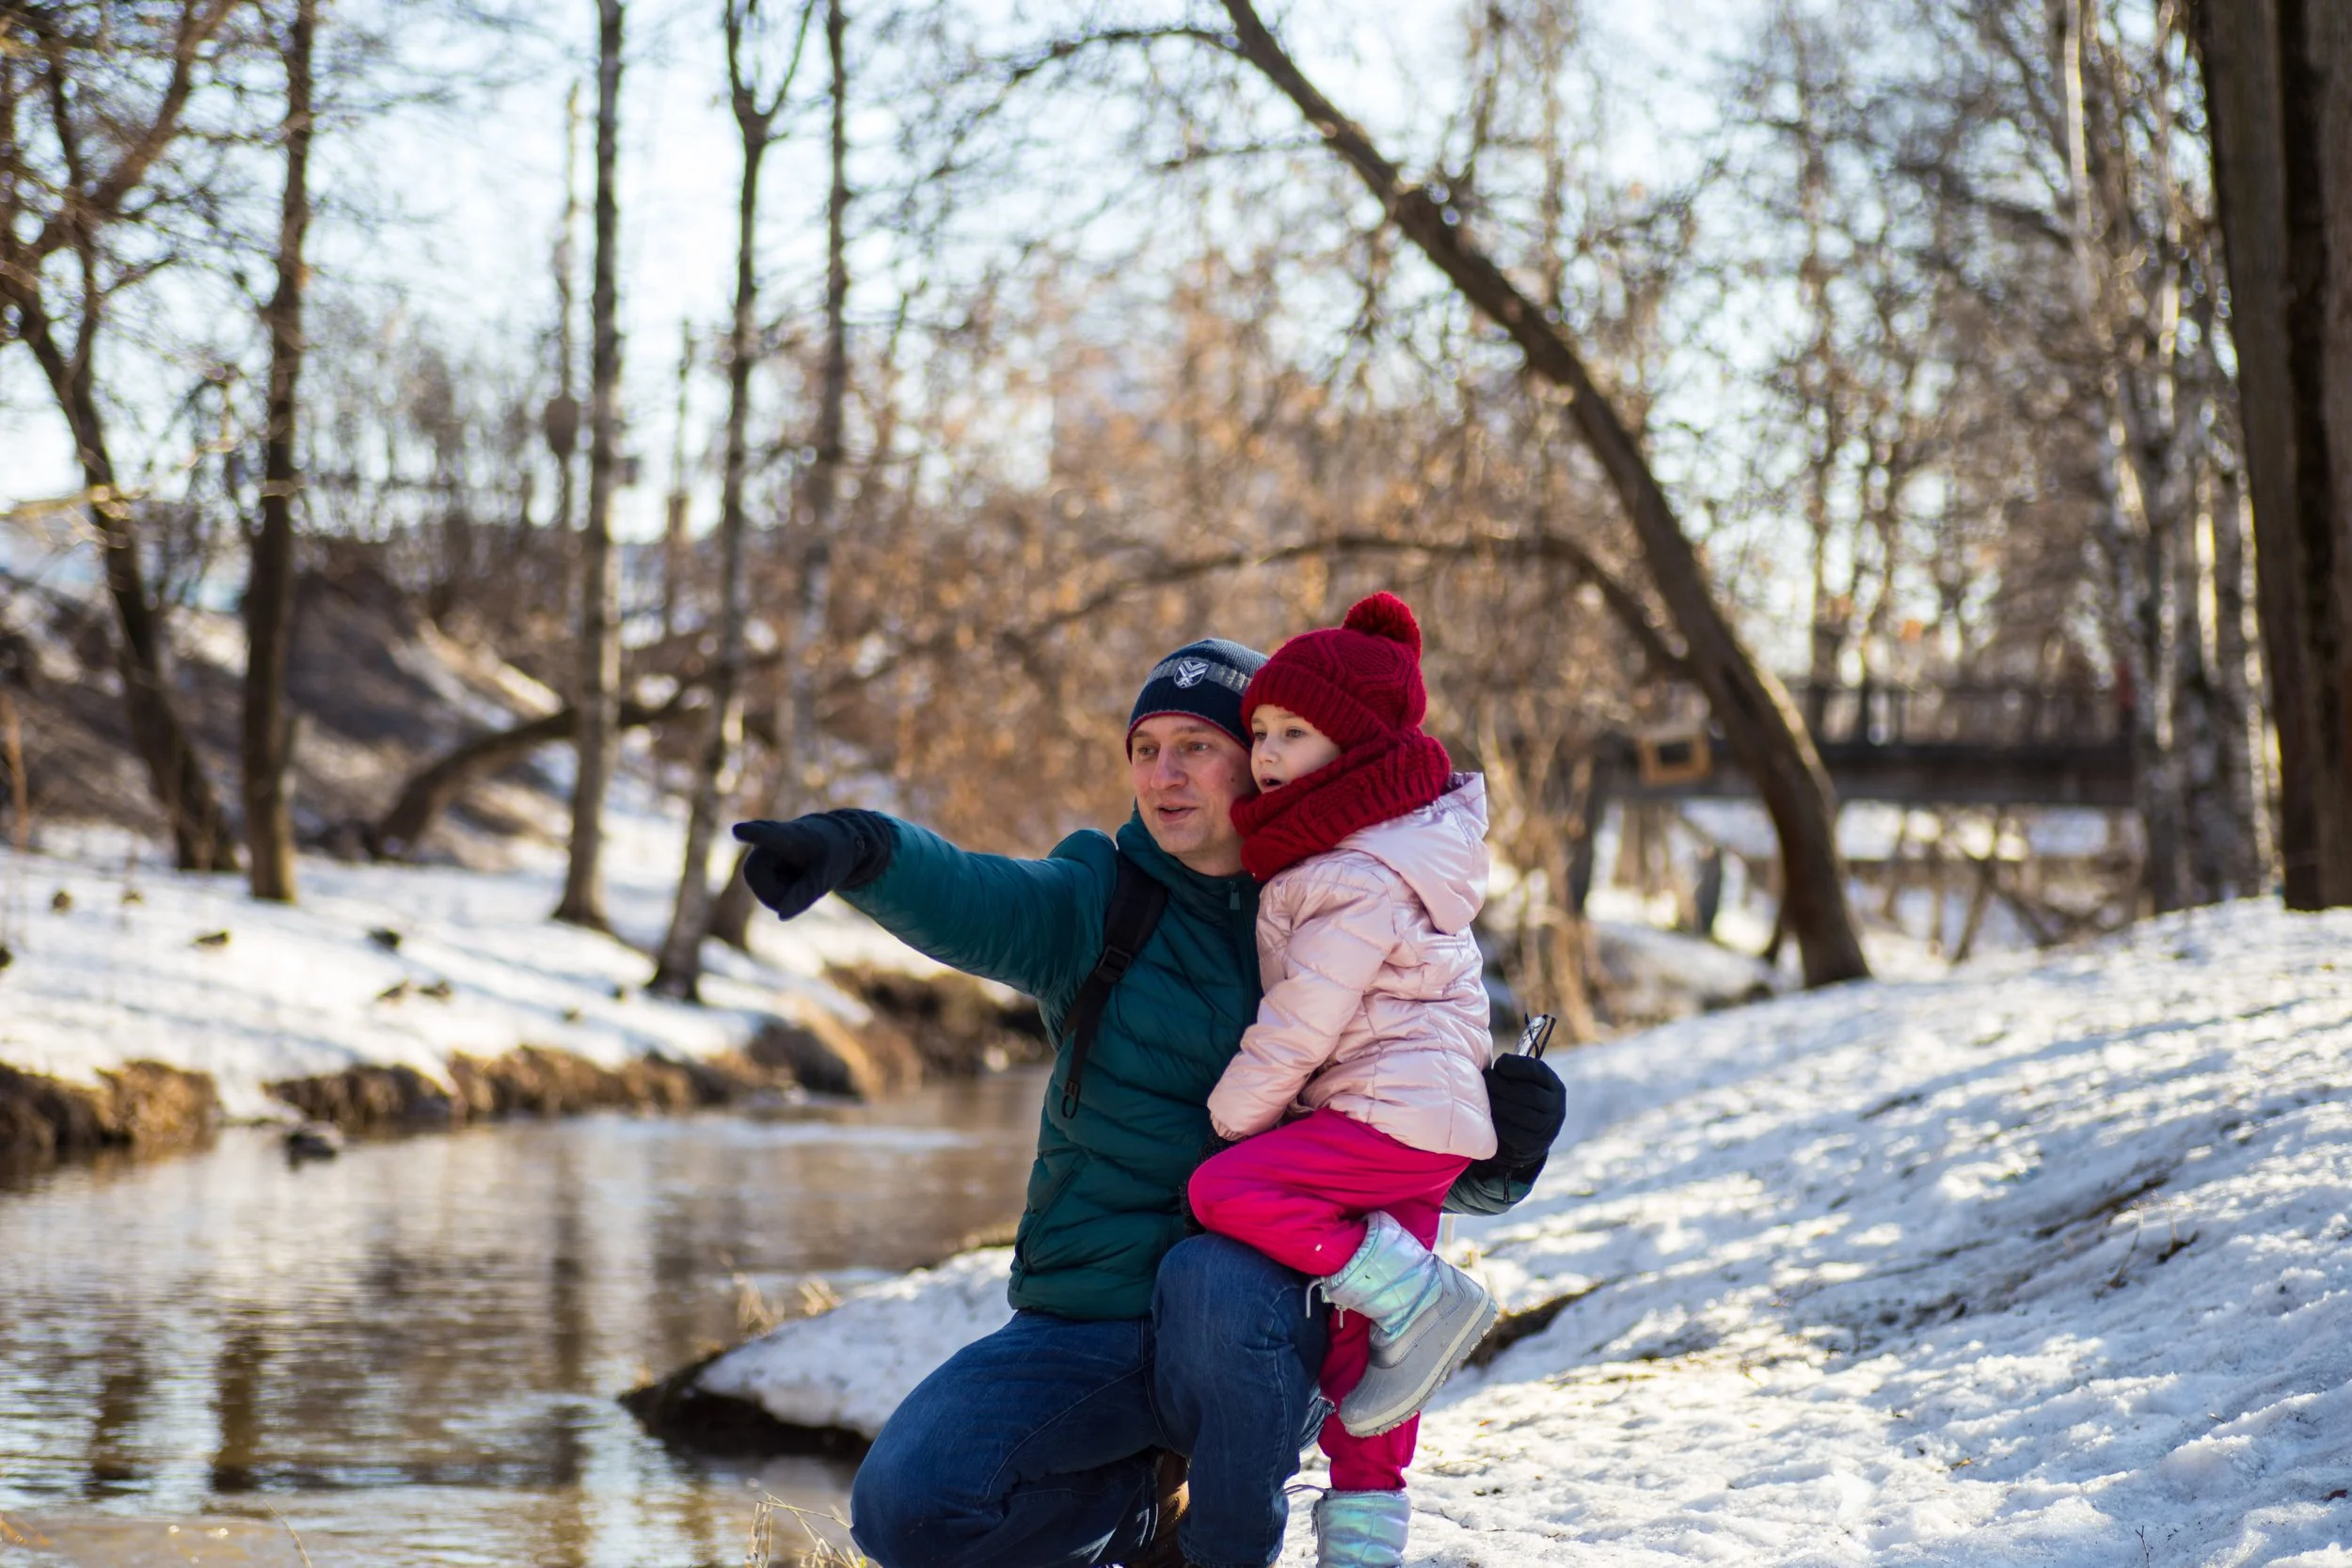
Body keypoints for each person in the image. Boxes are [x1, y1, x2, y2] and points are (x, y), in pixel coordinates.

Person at [730, 635, 1552, 1568]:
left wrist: (1503, 1156)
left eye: (1196, 745)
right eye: (1145, 747)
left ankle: (1221, 1546)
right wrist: (865, 849)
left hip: (1255, 1325)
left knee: (1213, 1271)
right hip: (1086, 1318)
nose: (1165, 773)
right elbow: (979, 896)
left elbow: (1396, 1143)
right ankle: (1132, 1513)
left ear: (1263, 757)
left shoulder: (1345, 906)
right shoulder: (1102, 897)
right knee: (907, 1509)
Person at [1184, 593, 1499, 1568]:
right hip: (1416, 1115)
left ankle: (1418, 1293)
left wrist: (1237, 1113)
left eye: (1292, 732)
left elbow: (1302, 1020)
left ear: (1355, 745)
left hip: (1388, 1112)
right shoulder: (1391, 845)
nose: (1266, 753)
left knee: (1225, 1187)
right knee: (1371, 1367)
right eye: (1261, 732)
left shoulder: (1352, 870)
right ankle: (1363, 1547)